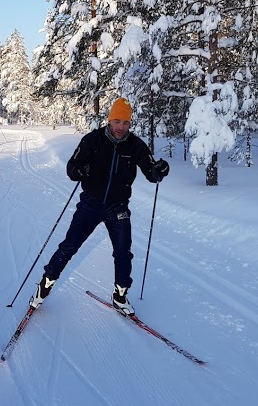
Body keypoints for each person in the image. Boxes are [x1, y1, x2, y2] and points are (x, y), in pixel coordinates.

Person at [30, 98, 169, 316]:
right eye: (117, 121)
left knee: (123, 252)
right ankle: (44, 286)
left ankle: (120, 295)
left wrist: (159, 170)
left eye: (125, 122)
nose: (120, 127)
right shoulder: (92, 140)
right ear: (109, 120)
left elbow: (151, 173)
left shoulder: (136, 145)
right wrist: (80, 170)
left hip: (118, 206)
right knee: (69, 246)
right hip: (90, 204)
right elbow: (72, 168)